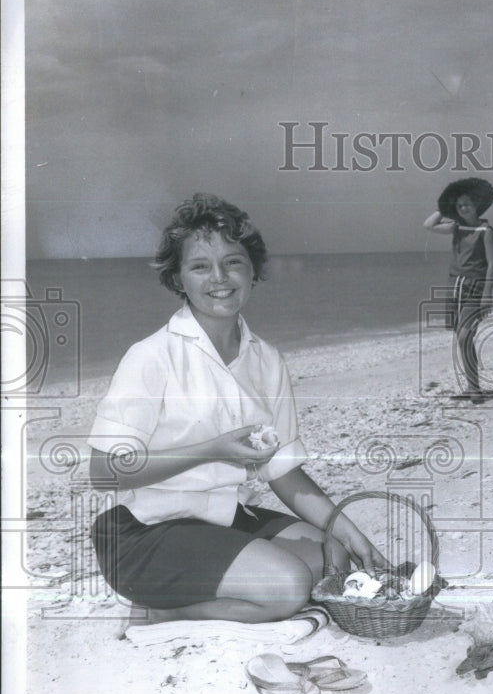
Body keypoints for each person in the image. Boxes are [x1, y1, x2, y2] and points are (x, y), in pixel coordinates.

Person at [88, 193, 386, 625]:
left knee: (334, 557)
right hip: (143, 534)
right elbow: (103, 473)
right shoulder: (152, 356)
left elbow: (282, 470)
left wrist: (350, 530)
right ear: (178, 279)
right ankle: (156, 612)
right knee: (289, 587)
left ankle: (253, 585)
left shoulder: (265, 359)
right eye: (200, 266)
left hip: (219, 520)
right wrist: (213, 449)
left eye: (233, 262)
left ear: (253, 270)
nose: (219, 278)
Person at [423, 177, 493, 403]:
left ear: (476, 205)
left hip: (475, 289)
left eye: (467, 204)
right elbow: (428, 225)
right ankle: (472, 386)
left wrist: (487, 295)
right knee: (461, 338)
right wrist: (443, 208)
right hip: (454, 287)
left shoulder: (486, 231)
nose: (463, 208)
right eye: (459, 206)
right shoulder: (456, 227)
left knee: (466, 335)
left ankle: (475, 389)